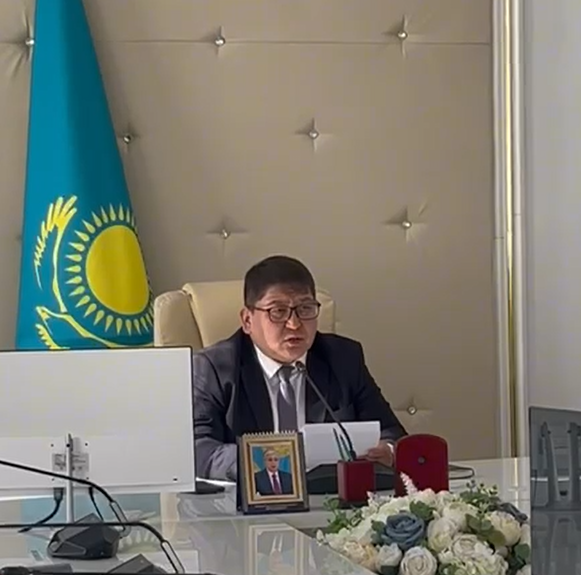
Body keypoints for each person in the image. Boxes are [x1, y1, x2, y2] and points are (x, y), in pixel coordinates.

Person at [193, 255, 407, 481]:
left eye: (305, 308)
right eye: (278, 311)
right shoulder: (214, 367)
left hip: (328, 494)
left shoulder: (343, 358)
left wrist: (388, 451)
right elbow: (197, 449)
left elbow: (392, 433)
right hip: (252, 497)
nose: (294, 324)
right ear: (247, 320)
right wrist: (259, 460)